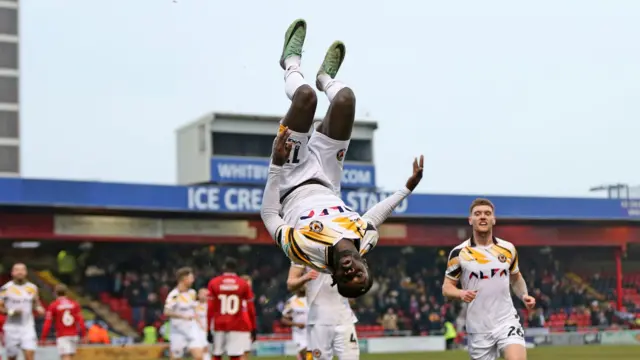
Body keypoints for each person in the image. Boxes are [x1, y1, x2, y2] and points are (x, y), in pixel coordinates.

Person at [260, 18, 423, 299]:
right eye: (358, 274)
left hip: (291, 177)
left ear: (334, 278)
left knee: (306, 99)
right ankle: (325, 77)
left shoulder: (303, 249)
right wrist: (406, 189)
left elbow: (269, 215)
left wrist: (276, 164)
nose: (350, 273)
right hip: (328, 175)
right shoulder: (366, 240)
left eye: (346, 280)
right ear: (364, 264)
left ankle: (290, 62)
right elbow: (373, 217)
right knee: (346, 99)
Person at [442, 198, 536, 360]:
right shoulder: (459, 253)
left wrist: (523, 295)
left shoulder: (508, 249)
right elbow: (446, 288)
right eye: (477, 214)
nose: (483, 217)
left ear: (494, 219)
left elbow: (516, 278)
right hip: (478, 328)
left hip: (506, 321)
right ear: (470, 220)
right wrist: (461, 294)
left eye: (487, 213)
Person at [287, 264, 360, 360]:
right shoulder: (302, 251)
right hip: (318, 321)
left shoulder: (344, 251)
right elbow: (290, 284)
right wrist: (305, 277)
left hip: (344, 318)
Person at [207, 258, 256, 360]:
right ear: (236, 268)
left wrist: (208, 328)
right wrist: (253, 327)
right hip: (236, 324)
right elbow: (250, 308)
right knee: (235, 356)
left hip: (218, 324)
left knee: (216, 355)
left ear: (223, 267)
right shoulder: (243, 284)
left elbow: (210, 308)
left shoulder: (214, 282)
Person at [0, 263, 45, 360]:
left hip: (27, 327)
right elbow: (0, 307)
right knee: (12, 357)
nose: (20, 272)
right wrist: (11, 312)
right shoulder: (6, 288)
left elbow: (35, 303)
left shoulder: (32, 288)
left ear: (26, 272)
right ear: (12, 273)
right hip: (11, 328)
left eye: (22, 270)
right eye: (17, 270)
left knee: (29, 355)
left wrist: (39, 308)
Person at [164, 267, 204, 360]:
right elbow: (166, 311)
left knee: (199, 356)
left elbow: (194, 310)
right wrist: (182, 316)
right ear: (184, 279)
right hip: (178, 330)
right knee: (176, 358)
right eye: (191, 278)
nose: (193, 280)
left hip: (191, 328)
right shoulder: (174, 294)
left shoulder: (192, 293)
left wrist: (200, 324)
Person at [40, 284, 86, 360]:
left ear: (54, 293)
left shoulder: (54, 305)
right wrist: (84, 334)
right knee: (70, 356)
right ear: (66, 292)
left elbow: (47, 323)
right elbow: (80, 320)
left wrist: (43, 338)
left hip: (62, 335)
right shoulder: (74, 304)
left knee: (65, 357)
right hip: (74, 335)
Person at [281, 286, 309, 360]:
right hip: (300, 336)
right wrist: (297, 325)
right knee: (307, 356)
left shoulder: (312, 299)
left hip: (313, 334)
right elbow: (284, 320)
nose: (302, 287)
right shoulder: (292, 301)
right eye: (301, 285)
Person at [239, 275, 256, 360]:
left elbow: (251, 314)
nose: (249, 288)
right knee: (240, 352)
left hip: (247, 328)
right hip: (238, 328)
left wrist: (252, 328)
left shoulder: (250, 297)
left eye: (250, 286)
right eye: (247, 286)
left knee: (245, 352)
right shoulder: (237, 297)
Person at [195, 288, 211, 360]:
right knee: (198, 351)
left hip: (208, 330)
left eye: (205, 294)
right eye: (202, 293)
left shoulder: (211, 305)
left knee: (206, 349)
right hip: (197, 331)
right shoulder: (194, 305)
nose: (204, 295)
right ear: (198, 295)